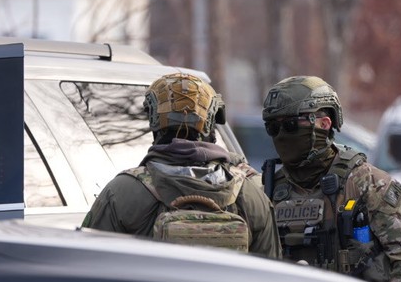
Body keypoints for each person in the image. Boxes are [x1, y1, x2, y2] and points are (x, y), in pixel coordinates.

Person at [261, 75, 401, 282]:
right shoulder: (268, 191)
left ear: (324, 123)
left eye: (290, 125)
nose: (281, 136)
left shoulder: (368, 184)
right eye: (273, 127)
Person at [82, 72, 280, 258]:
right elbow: (272, 277)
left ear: (154, 122)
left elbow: (91, 268)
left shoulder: (122, 192)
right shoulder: (251, 194)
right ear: (211, 124)